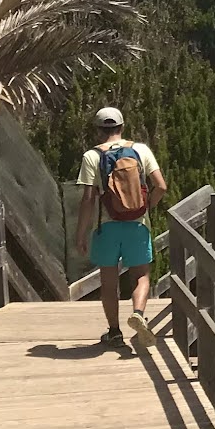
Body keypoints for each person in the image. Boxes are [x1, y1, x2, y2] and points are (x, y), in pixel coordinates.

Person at [73, 107, 167, 349]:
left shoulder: (92, 156)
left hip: (107, 227)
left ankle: (114, 332)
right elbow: (161, 186)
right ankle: (138, 312)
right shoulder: (140, 150)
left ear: (97, 131)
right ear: (122, 127)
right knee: (141, 276)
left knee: (109, 282)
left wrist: (81, 233)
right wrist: (146, 208)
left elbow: (88, 199)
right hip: (137, 225)